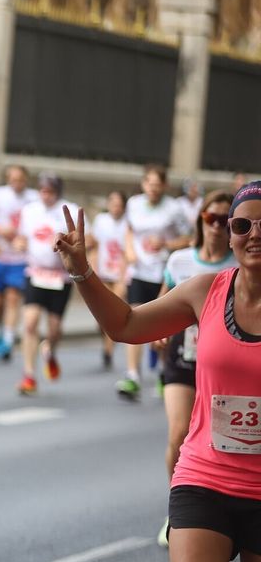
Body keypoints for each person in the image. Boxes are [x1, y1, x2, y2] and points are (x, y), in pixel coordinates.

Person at [55, 180, 261, 562]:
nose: (253, 237)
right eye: (243, 225)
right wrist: (84, 272)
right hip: (207, 472)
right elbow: (124, 325)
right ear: (229, 233)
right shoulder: (207, 290)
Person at [155, 191, 236, 546]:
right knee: (178, 433)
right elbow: (162, 303)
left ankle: (226, 512)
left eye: (225, 221)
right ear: (200, 220)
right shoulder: (179, 261)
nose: (217, 227)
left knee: (223, 443)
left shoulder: (239, 265)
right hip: (183, 360)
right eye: (211, 219)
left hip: (225, 370)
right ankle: (178, 512)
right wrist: (158, 334)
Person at [119, 166, 193, 401]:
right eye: (149, 182)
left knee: (163, 326)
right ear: (143, 184)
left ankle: (165, 372)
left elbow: (189, 239)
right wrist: (129, 251)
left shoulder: (174, 209)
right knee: (133, 318)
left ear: (163, 185)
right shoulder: (134, 204)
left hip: (164, 273)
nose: (152, 187)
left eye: (157, 183)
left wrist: (166, 244)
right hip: (140, 270)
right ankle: (133, 375)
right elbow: (129, 230)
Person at [14, 174, 77, 396]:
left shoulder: (68, 210)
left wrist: (64, 244)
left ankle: (49, 349)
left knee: (54, 328)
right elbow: (20, 237)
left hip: (60, 277)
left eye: (49, 190)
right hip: (35, 273)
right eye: (42, 190)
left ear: (58, 192)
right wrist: (19, 243)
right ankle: (29, 375)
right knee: (29, 324)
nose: (45, 194)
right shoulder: (29, 211)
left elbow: (81, 241)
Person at [0, 164, 36, 361]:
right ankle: (2, 329)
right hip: (0, 256)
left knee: (13, 298)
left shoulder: (33, 198)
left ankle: (8, 338)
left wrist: (27, 238)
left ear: (26, 180)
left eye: (20, 180)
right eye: (13, 180)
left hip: (21, 258)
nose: (17, 184)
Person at [90, 190, 129, 371]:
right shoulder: (101, 221)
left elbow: (128, 252)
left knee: (112, 313)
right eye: (112, 203)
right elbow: (95, 246)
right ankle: (105, 339)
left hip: (120, 274)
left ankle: (108, 350)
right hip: (104, 272)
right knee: (100, 315)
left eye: (119, 204)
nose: (116, 207)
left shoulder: (128, 224)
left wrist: (123, 277)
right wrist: (93, 269)